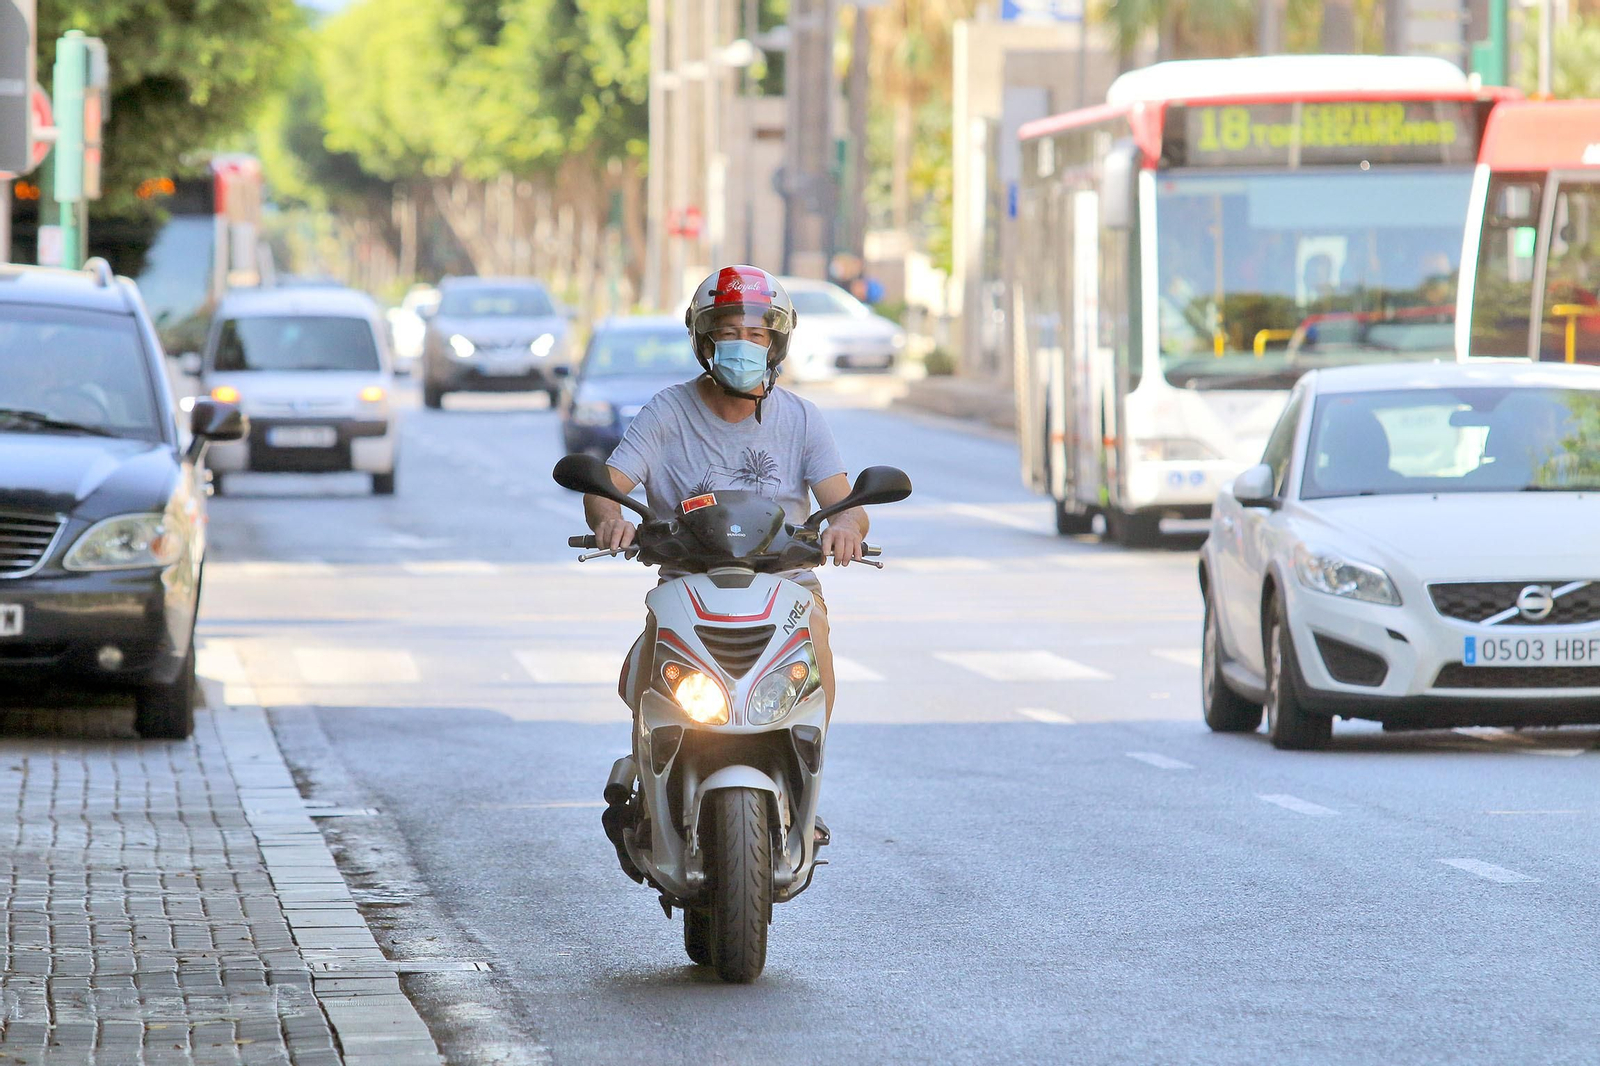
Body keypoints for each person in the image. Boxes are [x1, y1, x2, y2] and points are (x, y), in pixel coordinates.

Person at [584, 265, 869, 723]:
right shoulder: (666, 412)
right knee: (643, 683)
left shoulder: (802, 418)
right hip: (687, 584)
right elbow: (605, 487)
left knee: (813, 663)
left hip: (787, 588)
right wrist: (610, 519)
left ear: (775, 344)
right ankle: (648, 750)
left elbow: (847, 506)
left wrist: (845, 527)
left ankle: (806, 752)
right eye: (730, 333)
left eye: (756, 334)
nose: (743, 344)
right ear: (705, 342)